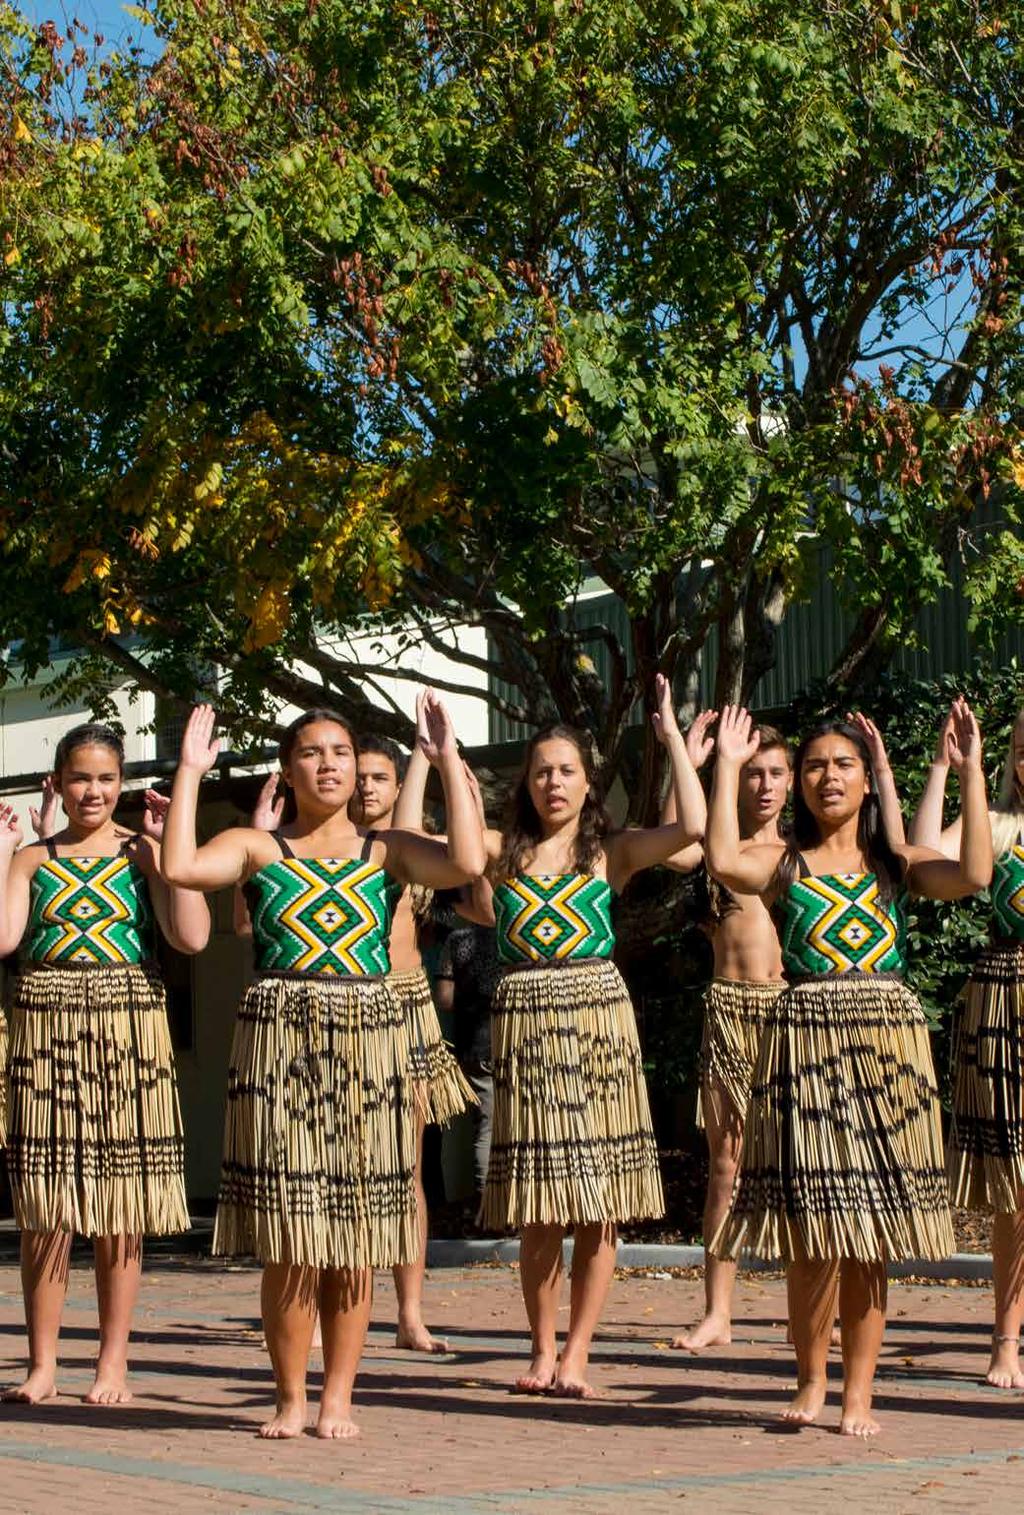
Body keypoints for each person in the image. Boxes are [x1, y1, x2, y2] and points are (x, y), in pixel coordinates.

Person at [160, 695, 484, 1439]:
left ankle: (338, 1395)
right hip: (280, 1051)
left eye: (340, 751)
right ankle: (290, 1397)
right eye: (312, 752)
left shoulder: (387, 848)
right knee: (291, 1237)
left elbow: (467, 861)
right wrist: (187, 772)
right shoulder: (257, 846)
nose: (329, 764)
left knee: (355, 1235)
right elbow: (180, 864)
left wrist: (448, 758)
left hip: (370, 1047)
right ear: (288, 768)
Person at [707, 701, 991, 1438]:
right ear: (799, 783)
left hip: (887, 1052)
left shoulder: (895, 865)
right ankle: (810, 1377)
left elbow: (977, 870)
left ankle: (859, 1392)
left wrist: (968, 773)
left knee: (868, 1235)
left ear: (868, 781)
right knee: (811, 1233)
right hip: (804, 1049)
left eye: (843, 765)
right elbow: (721, 859)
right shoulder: (782, 863)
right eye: (814, 766)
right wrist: (727, 767)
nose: (827, 776)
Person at [475, 674, 706, 1398]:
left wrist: (670, 737)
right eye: (542, 770)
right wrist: (442, 755)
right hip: (526, 1029)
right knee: (539, 1200)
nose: (553, 781)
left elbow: (692, 829)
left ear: (587, 782)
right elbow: (450, 837)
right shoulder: (500, 852)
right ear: (527, 783)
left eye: (566, 770)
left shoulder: (612, 850)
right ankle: (542, 1350)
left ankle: (578, 1352)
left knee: (597, 1198)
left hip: (598, 1023)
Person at [0, 723, 209, 1406]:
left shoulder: (142, 854)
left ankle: (112, 1361)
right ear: (56, 783)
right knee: (46, 1206)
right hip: (48, 1033)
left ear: (120, 783)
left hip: (128, 1030)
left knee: (122, 1204)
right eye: (81, 777)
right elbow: (4, 938)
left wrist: (169, 852)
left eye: (106, 778)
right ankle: (42, 1363)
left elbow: (190, 935)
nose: (94, 790)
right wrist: (5, 852)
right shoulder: (33, 859)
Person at [662, 712, 793, 1350]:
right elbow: (675, 840)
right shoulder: (721, 852)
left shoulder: (806, 854)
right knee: (726, 1167)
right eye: (754, 773)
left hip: (794, 1015)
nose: (764, 785)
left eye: (776, 773)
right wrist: (686, 760)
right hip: (730, 1014)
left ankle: (809, 1302)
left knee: (807, 1166)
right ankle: (717, 1310)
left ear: (791, 782)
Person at [352, 726, 476, 1354]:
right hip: (341, 1009)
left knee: (404, 1167)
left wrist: (428, 761)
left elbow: (417, 835)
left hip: (405, 1011)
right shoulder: (331, 845)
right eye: (362, 775)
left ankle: (409, 1312)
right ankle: (337, 1305)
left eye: (381, 777)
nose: (367, 786)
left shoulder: (404, 848)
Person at [911, 704, 1024, 1388]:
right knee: (1015, 1186)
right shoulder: (1004, 826)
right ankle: (1005, 1340)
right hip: (1006, 1003)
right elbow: (922, 855)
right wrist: (948, 769)